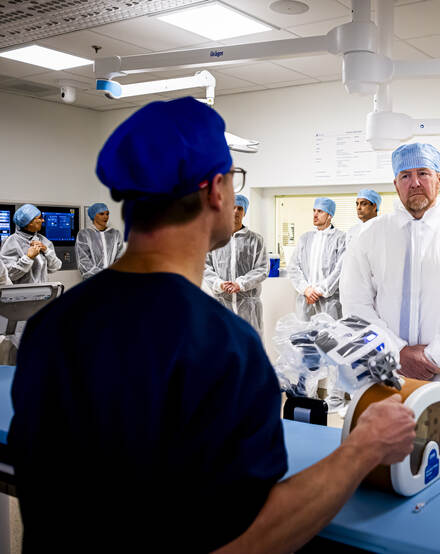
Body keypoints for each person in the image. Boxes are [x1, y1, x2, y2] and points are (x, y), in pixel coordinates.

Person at [8, 97, 416, 552]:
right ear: (215, 191)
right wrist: (363, 448)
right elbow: (248, 540)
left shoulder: (52, 325)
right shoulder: (222, 348)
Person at [341, 142, 440, 449]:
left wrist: (433, 357)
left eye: (423, 173)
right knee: (385, 454)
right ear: (395, 184)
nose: (415, 182)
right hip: (385, 368)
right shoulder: (369, 236)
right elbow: (355, 303)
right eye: (405, 175)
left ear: (439, 178)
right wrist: (396, 352)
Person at [203, 194, 269, 334]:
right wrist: (219, 284)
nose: (236, 212)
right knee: (222, 346)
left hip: (248, 308)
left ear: (244, 212)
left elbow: (262, 268)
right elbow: (205, 267)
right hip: (221, 305)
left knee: (250, 347)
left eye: (240, 208)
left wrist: (241, 283)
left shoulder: (255, 240)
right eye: (232, 207)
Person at [287, 197, 346, 322]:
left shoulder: (340, 238)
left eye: (320, 211)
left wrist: (320, 290)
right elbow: (293, 267)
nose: (315, 214)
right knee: (305, 338)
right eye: (314, 210)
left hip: (329, 303)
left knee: (330, 338)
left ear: (329, 215)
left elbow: (340, 270)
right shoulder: (305, 238)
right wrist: (306, 289)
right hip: (305, 300)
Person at [0, 204, 62, 284]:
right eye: (40, 218)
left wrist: (47, 251)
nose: (43, 220)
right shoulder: (11, 242)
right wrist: (28, 258)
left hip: (44, 292)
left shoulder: (44, 241)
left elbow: (55, 267)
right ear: (29, 222)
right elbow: (7, 276)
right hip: (21, 294)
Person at [76, 202, 124, 280]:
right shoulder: (84, 235)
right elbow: (84, 262)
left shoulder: (115, 234)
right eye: (101, 214)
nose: (106, 217)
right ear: (94, 216)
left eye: (107, 214)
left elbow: (120, 258)